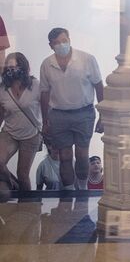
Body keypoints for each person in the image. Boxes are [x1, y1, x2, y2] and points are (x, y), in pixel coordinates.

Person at [39, 28, 103, 191]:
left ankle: (82, 189)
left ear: (69, 39)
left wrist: (103, 115)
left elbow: (99, 86)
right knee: (64, 156)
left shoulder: (86, 59)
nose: (61, 45)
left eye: (64, 40)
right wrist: (45, 121)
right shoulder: (47, 64)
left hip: (84, 113)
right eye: (57, 43)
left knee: (82, 155)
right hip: (58, 115)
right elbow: (44, 93)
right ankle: (68, 192)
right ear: (51, 45)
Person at [0, 52, 41, 191]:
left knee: (23, 174)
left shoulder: (36, 85)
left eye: (14, 67)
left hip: (31, 135)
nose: (11, 70)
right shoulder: (2, 89)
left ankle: (27, 206)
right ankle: (13, 187)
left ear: (23, 66)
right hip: (9, 133)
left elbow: (48, 108)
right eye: (8, 67)